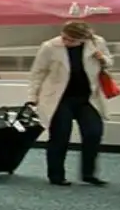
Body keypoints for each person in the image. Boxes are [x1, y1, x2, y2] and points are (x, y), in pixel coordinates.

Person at [26, 20, 113, 187]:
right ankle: (56, 175)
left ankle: (88, 174)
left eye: (71, 40)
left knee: (93, 132)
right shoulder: (50, 46)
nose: (66, 42)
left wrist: (102, 59)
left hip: (87, 98)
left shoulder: (97, 43)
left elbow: (109, 63)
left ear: (83, 39)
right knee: (60, 136)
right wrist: (32, 97)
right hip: (59, 98)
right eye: (64, 37)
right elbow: (37, 72)